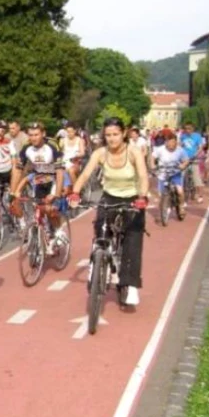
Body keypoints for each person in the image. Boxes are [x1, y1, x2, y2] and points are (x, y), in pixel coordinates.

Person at [69, 118, 149, 306]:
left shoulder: (133, 152)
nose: (112, 139)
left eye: (115, 134)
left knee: (133, 239)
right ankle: (98, 260)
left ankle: (131, 285)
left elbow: (143, 176)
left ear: (123, 134)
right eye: (108, 135)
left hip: (132, 199)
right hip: (110, 197)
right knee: (101, 229)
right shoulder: (100, 153)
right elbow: (86, 174)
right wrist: (74, 193)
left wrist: (142, 197)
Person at [10, 122, 66, 254]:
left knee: (49, 209)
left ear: (43, 134)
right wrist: (13, 192)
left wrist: (56, 195)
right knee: (38, 208)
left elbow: (60, 172)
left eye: (36, 134)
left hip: (54, 177)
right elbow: (18, 170)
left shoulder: (52, 145)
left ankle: (58, 231)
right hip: (39, 179)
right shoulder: (26, 147)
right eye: (31, 135)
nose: (33, 138)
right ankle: (43, 231)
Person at [150, 133, 189, 215]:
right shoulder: (160, 149)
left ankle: (181, 207)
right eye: (169, 142)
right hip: (163, 174)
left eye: (173, 142)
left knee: (180, 191)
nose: (171, 144)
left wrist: (183, 165)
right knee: (161, 195)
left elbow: (186, 160)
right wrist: (153, 165)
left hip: (175, 173)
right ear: (166, 142)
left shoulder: (180, 150)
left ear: (176, 142)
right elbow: (153, 157)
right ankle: (163, 211)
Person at [180, 123, 205, 204]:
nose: (187, 130)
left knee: (196, 177)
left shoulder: (197, 136)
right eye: (186, 128)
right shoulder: (183, 136)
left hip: (194, 158)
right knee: (181, 175)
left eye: (189, 128)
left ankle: (200, 195)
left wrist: (195, 155)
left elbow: (200, 147)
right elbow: (180, 145)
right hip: (184, 159)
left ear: (193, 129)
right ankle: (182, 195)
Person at [60, 122, 85, 186]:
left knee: (71, 171)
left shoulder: (80, 140)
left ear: (75, 131)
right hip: (64, 162)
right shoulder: (63, 140)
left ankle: (75, 190)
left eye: (71, 131)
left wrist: (76, 156)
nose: (69, 133)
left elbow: (82, 153)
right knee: (58, 171)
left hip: (75, 161)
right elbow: (59, 152)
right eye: (68, 132)